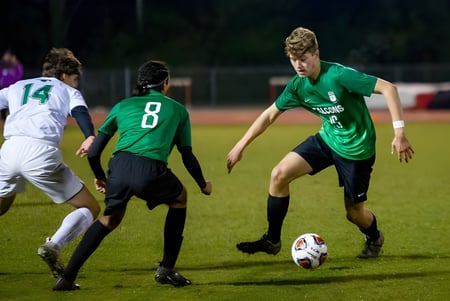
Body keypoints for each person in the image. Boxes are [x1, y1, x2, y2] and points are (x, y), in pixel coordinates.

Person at [226, 27, 414, 260]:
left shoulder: (338, 75)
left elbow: (389, 88)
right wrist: (240, 145)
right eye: (294, 60)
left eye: (303, 59)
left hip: (357, 150)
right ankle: (272, 240)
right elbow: (269, 115)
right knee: (279, 175)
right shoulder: (298, 85)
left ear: (316, 53)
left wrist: (399, 133)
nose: (298, 65)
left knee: (354, 214)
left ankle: (374, 236)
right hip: (327, 139)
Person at [53, 60, 212, 290]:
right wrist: (202, 184)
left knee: (109, 219)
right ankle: (166, 268)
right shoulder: (178, 110)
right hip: (150, 170)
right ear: (165, 82)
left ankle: (66, 277)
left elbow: (94, 152)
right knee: (180, 198)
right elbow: (186, 155)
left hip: (119, 167)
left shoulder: (122, 106)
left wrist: (100, 177)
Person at [0, 48, 100, 278]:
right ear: (65, 75)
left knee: (2, 207)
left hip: (9, 150)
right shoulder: (66, 90)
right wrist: (89, 135)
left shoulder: (17, 86)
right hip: (40, 152)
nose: (75, 85)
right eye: (75, 80)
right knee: (90, 208)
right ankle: (53, 246)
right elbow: (81, 113)